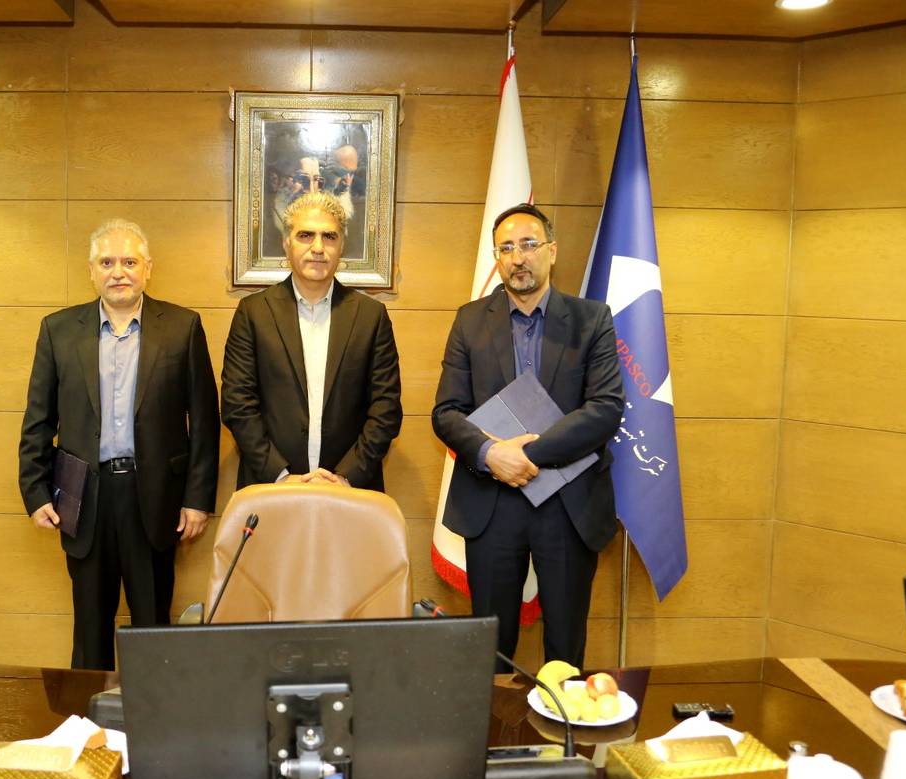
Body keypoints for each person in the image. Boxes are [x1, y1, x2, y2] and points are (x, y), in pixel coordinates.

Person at [18, 218, 219, 670]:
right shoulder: (58, 330)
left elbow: (205, 422)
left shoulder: (182, 327)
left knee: (151, 630)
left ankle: (156, 710)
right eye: (107, 263)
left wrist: (197, 500)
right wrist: (35, 492)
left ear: (148, 268)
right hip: (83, 498)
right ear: (91, 271)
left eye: (129, 261)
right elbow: (38, 421)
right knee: (90, 632)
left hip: (154, 497)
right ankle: (89, 716)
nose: (119, 272)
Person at [431, 203, 623, 669]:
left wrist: (524, 454)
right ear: (497, 258)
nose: (518, 258)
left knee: (565, 653)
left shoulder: (591, 319)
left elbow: (605, 408)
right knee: (492, 656)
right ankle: (495, 721)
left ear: (552, 251)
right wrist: (490, 454)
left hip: (568, 505)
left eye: (529, 244)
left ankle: (561, 721)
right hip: (491, 504)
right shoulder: (469, 320)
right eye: (506, 248)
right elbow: (446, 412)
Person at [222, 191, 402, 490]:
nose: (318, 248)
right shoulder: (253, 313)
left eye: (329, 237)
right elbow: (237, 404)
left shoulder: (371, 316)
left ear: (341, 246)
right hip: (271, 487)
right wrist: (280, 475)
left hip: (349, 489)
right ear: (286, 243)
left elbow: (386, 408)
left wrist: (345, 476)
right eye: (305, 235)